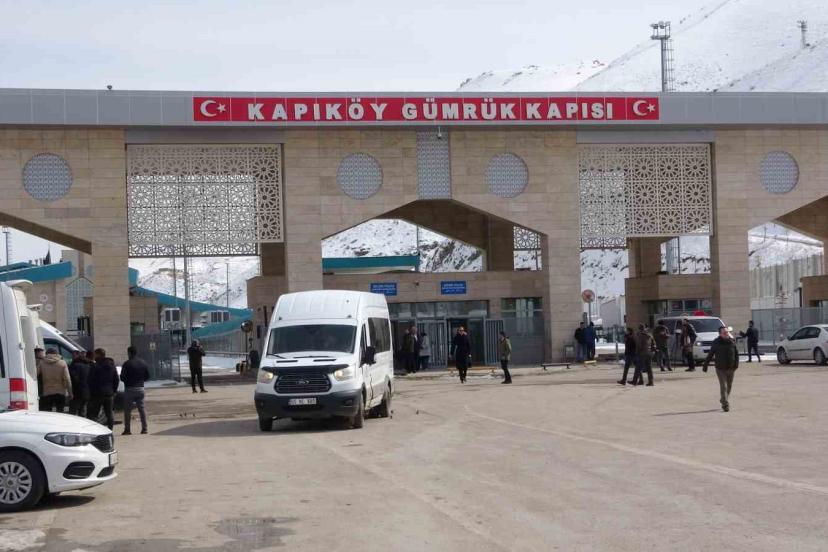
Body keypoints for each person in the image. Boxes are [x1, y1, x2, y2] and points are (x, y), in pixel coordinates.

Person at [703, 326, 740, 412]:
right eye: (724, 332)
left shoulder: (732, 341)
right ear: (720, 334)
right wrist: (705, 365)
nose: (726, 334)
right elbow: (711, 353)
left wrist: (736, 365)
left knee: (729, 386)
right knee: (724, 386)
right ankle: (725, 405)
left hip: (731, 367)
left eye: (727, 332)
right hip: (720, 368)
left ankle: (723, 399)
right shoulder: (716, 342)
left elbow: (736, 354)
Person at [120, 346, 150, 435]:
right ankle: (144, 428)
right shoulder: (143, 363)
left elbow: (122, 377)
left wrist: (127, 381)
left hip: (129, 388)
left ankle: (127, 429)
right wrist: (141, 381)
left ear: (129, 353)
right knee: (142, 409)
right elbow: (147, 376)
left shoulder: (127, 364)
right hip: (140, 388)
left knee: (127, 411)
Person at [87, 348, 119, 429]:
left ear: (98, 355)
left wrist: (91, 391)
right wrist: (114, 391)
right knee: (109, 413)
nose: (94, 356)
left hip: (97, 394)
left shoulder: (95, 366)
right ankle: (110, 430)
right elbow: (116, 379)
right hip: (109, 393)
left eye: (95, 354)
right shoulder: (111, 365)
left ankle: (96, 430)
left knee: (94, 414)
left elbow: (90, 380)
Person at [68, 350, 91, 417]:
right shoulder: (88, 365)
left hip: (77, 392)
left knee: (73, 412)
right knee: (82, 410)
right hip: (86, 391)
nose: (72, 357)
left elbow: (73, 379)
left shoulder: (75, 366)